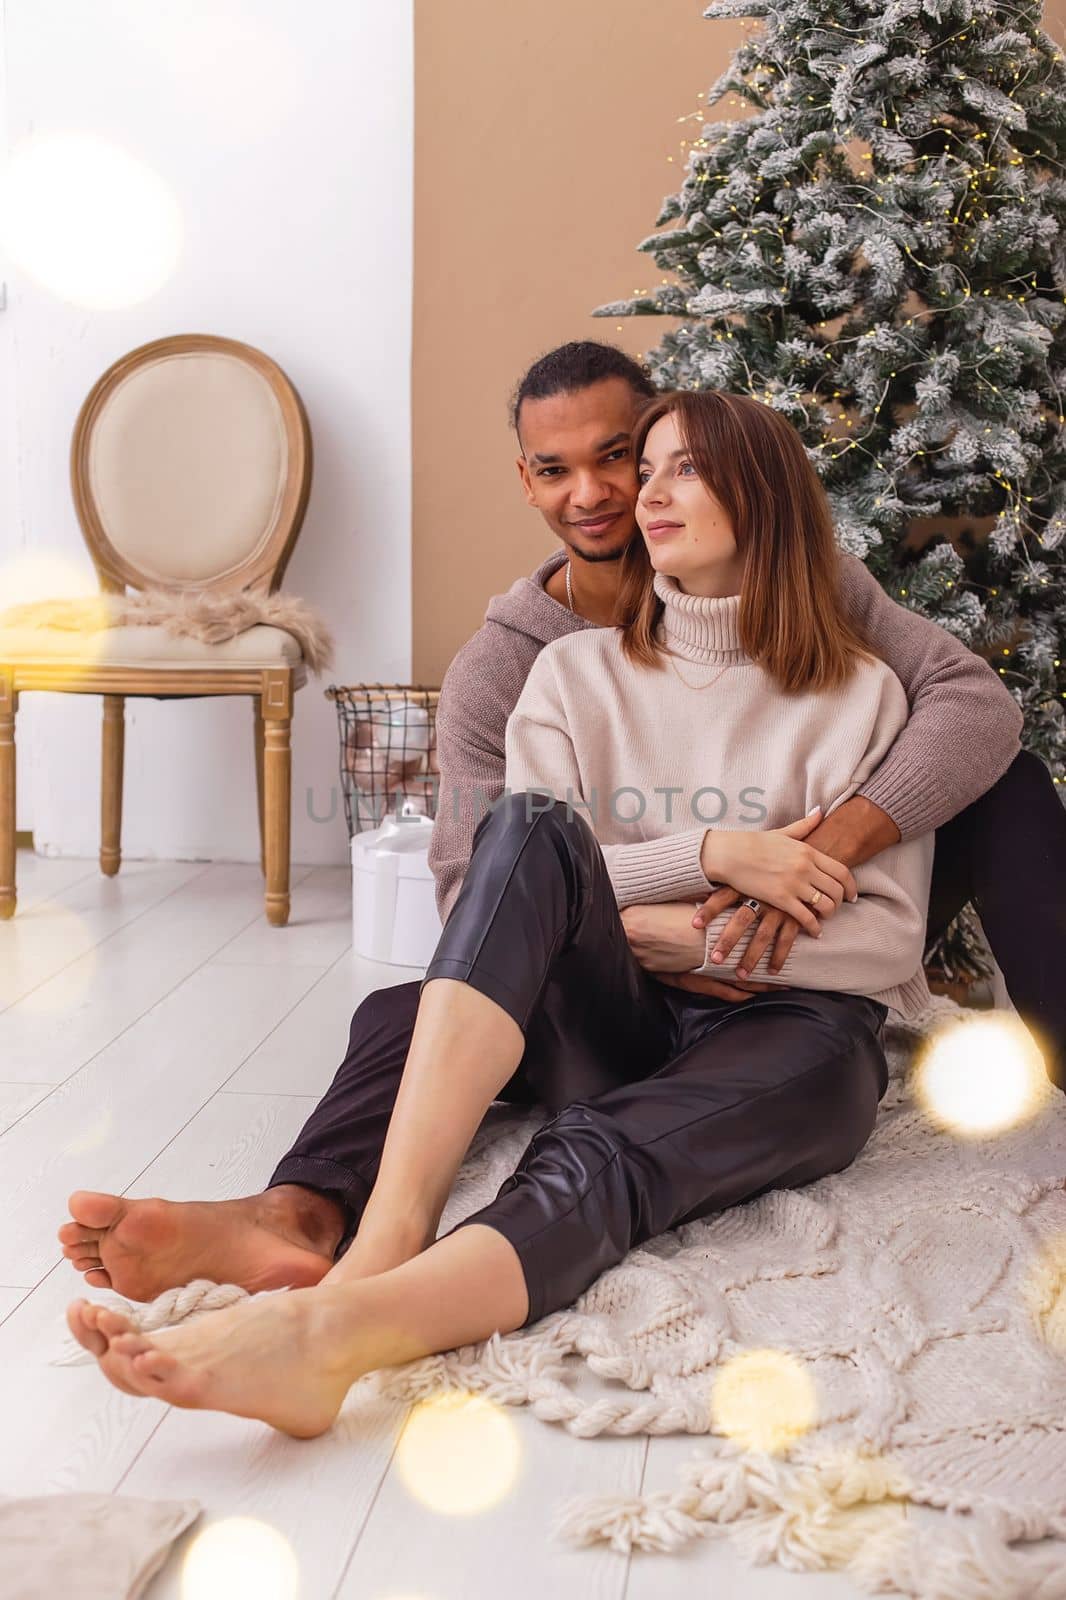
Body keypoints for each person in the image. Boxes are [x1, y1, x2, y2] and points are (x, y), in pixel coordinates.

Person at [65, 387, 1052, 1435]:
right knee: (524, 832)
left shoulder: (863, 695)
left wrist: (687, 927)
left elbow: (882, 938)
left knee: (593, 1146)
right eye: (652, 467)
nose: (645, 494)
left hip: (793, 1029)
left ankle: (334, 1334)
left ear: (763, 497)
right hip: (615, 1006)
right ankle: (376, 1239)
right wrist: (715, 861)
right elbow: (516, 877)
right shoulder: (567, 674)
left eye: (683, 468)